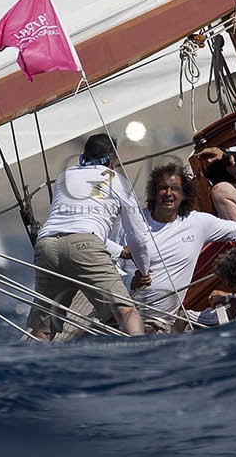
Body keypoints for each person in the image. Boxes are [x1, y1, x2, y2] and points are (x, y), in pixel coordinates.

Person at [26, 133, 151, 339]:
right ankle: (142, 351)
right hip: (84, 246)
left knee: (44, 327)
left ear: (83, 156)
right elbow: (138, 236)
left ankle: (32, 358)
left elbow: (75, 226)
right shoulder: (118, 181)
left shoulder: (64, 177)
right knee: (126, 311)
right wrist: (144, 269)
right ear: (113, 161)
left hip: (46, 245)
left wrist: (119, 251)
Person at [127, 162, 236, 328]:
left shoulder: (196, 222)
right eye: (163, 188)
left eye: (175, 189)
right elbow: (110, 264)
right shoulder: (133, 223)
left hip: (162, 322)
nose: (168, 193)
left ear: (183, 195)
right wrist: (131, 281)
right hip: (124, 314)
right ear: (154, 192)